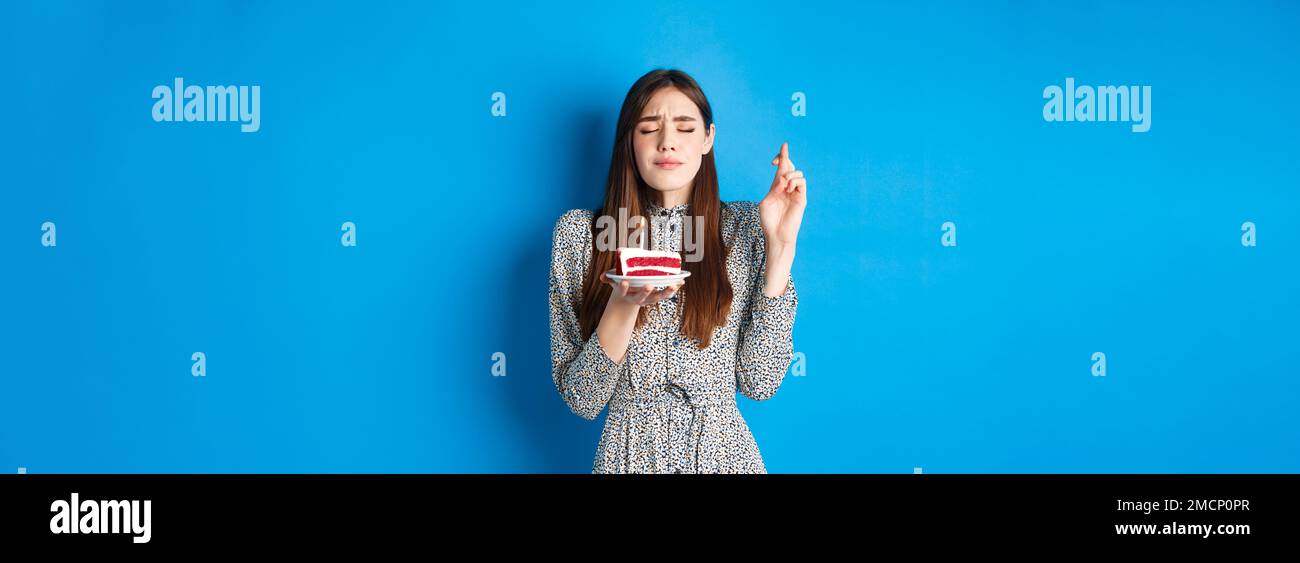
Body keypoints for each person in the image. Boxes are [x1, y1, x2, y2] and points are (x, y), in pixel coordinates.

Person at [548, 68, 807, 473]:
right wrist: (623, 303)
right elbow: (583, 400)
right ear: (629, 141)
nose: (667, 142)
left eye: (685, 128)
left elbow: (760, 381)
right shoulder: (582, 235)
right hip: (628, 458)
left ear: (708, 139)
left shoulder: (742, 228)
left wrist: (781, 247)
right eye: (649, 128)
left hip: (724, 458)